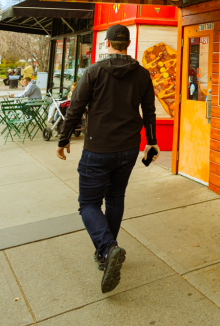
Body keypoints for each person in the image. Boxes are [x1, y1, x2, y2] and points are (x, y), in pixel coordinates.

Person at [56, 24, 158, 294]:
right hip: (128, 148)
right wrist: (152, 141)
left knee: (88, 203)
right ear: (128, 43)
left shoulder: (93, 72)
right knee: (115, 198)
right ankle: (104, 254)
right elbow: (149, 111)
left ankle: (108, 248)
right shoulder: (142, 74)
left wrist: (64, 139)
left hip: (98, 148)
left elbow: (76, 108)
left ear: (108, 43)